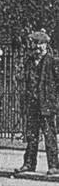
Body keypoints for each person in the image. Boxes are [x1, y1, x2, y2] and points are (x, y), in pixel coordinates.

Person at [17, 30, 59, 175]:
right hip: (32, 105)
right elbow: (23, 80)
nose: (37, 47)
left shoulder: (53, 62)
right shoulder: (28, 61)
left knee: (50, 136)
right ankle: (29, 164)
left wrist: (54, 101)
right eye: (35, 44)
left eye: (40, 44)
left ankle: (54, 166)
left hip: (47, 105)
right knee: (31, 136)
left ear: (46, 45)